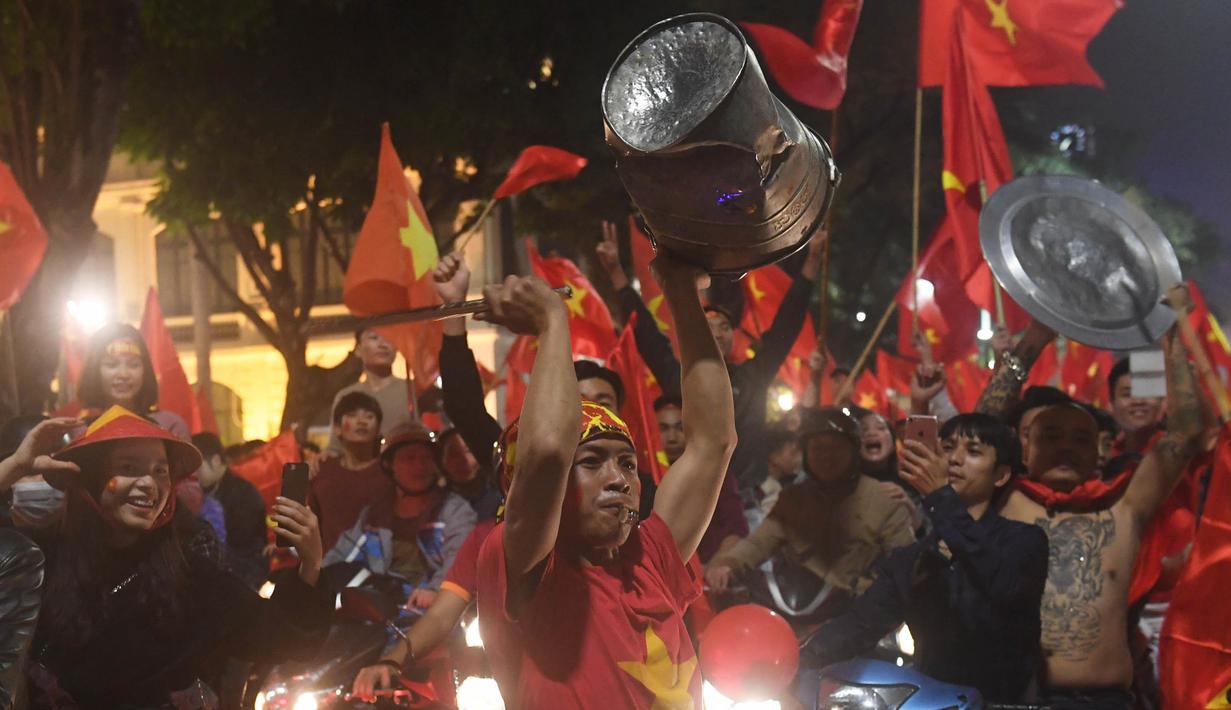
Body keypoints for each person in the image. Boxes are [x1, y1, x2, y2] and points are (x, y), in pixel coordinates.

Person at [474, 254, 737, 708]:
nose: (618, 479)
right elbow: (549, 453)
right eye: (592, 462)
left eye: (628, 464)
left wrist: (680, 291)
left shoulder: (648, 554)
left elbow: (713, 442)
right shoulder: (520, 559)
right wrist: (552, 323)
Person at [19, 406, 329, 708]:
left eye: (160, 471)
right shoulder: (38, 560)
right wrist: (11, 470)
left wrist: (311, 563)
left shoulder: (189, 574)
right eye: (128, 468)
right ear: (89, 478)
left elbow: (277, 636)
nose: (149, 484)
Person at [998, 289, 1203, 709]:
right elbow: (980, 425)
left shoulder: (1122, 506)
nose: (1066, 447)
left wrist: (1174, 335)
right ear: (1023, 448)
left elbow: (1186, 433)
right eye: (1050, 436)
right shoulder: (1006, 498)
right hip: (1016, 699)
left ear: (1100, 452)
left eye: (1080, 438)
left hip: (1105, 701)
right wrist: (1034, 338)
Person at [802, 414, 1049, 703]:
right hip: (930, 704)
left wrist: (940, 497)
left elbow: (999, 582)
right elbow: (860, 625)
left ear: (1001, 475)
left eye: (973, 451)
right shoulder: (916, 557)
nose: (954, 459)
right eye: (947, 448)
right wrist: (797, 658)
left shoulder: (1024, 541)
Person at [596, 221, 823, 491]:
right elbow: (647, 336)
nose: (717, 333)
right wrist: (616, 274)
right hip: (698, 500)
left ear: (733, 337)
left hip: (750, 497)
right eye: (708, 326)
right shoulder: (681, 380)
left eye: (724, 327)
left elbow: (786, 324)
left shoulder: (753, 376)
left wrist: (811, 264)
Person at [706, 408, 916, 602]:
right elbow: (758, 544)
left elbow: (906, 565)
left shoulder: (883, 500)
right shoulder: (792, 500)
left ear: (853, 451)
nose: (826, 457)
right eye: (818, 448)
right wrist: (727, 564)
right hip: (798, 609)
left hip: (860, 613)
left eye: (835, 448)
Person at [324, 424, 475, 611]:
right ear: (389, 464)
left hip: (435, 617)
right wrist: (312, 577)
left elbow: (458, 560)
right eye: (409, 458)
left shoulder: (455, 511)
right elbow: (341, 557)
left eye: (426, 458)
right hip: (379, 616)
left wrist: (435, 591)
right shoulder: (374, 517)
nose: (419, 466)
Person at [309, 391, 392, 551]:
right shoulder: (322, 470)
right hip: (330, 567)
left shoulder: (389, 472)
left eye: (369, 417)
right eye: (352, 415)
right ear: (337, 428)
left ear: (378, 430)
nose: (361, 421)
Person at [192, 432, 270, 589]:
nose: (194, 475)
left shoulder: (243, 494)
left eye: (197, 468)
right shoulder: (209, 491)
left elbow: (245, 546)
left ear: (215, 461)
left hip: (244, 577)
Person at [326, 328, 412, 453]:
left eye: (389, 339)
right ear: (358, 349)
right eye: (374, 338)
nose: (383, 345)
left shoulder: (413, 391)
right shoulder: (346, 396)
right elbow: (335, 447)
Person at [1106, 358, 1165, 458]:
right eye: (1128, 394)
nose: (1138, 401)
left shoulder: (1178, 452)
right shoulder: (1105, 456)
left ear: (1161, 401)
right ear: (1111, 404)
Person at [437, 428, 500, 520]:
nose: (464, 460)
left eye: (469, 450)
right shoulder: (437, 505)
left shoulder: (499, 496)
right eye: (454, 454)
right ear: (442, 460)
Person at [754, 424, 804, 523]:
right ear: (774, 456)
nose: (798, 458)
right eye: (793, 452)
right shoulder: (756, 482)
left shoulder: (778, 491)